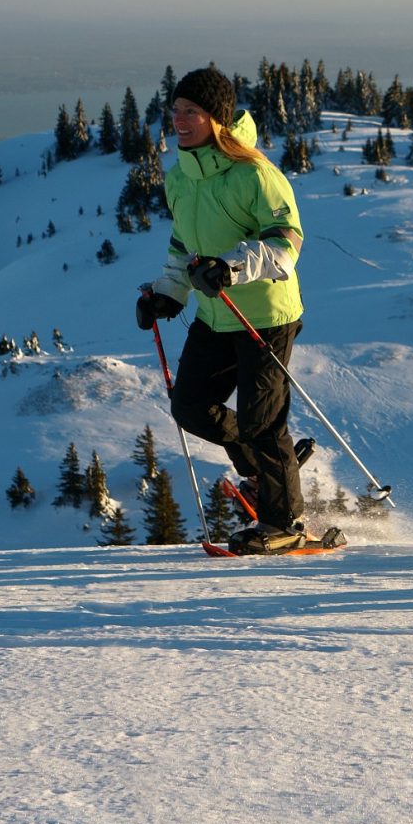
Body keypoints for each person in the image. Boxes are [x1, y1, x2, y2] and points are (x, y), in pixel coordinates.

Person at [136, 67, 336, 554]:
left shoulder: (255, 174)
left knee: (262, 422)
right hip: (215, 315)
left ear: (218, 119)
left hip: (265, 315)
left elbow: (287, 242)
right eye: (176, 111)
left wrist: (231, 267)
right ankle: (267, 471)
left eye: (192, 112)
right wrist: (169, 293)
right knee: (190, 407)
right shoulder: (181, 177)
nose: (180, 121)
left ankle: (284, 521)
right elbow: (184, 243)